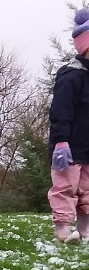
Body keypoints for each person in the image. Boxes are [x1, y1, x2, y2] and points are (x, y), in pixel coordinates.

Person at [48, 9, 89, 243]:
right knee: (65, 188)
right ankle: (63, 228)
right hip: (69, 147)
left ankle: (85, 230)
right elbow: (60, 113)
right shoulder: (71, 77)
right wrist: (61, 142)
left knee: (87, 190)